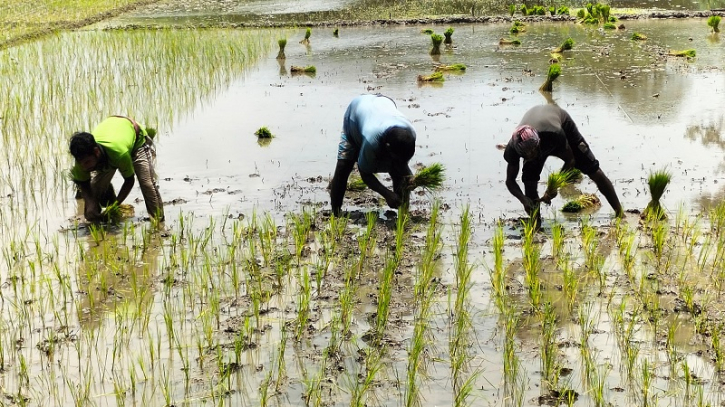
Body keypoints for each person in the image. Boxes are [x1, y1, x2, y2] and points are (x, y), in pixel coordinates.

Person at [504, 104, 623, 224]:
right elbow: (510, 181)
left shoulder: (554, 134)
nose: (533, 155)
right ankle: (536, 226)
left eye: (534, 150)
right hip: (540, 131)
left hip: (559, 125)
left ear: (538, 142)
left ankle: (620, 213)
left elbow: (570, 160)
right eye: (528, 154)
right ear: (519, 151)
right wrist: (523, 199)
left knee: (593, 170)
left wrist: (554, 188)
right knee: (529, 181)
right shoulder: (512, 149)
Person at [329, 94, 417, 216]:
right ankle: (336, 213)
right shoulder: (371, 140)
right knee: (344, 166)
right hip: (355, 113)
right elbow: (365, 172)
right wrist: (387, 194)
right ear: (387, 147)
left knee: (397, 169)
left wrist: (409, 177)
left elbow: (401, 164)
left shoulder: (410, 133)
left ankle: (403, 214)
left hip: (383, 102)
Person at [69, 116, 164, 222]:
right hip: (112, 133)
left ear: (96, 152)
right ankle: (103, 220)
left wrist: (115, 205)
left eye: (87, 162)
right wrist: (90, 204)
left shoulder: (119, 154)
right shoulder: (82, 158)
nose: (84, 167)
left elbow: (129, 180)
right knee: (93, 194)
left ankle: (158, 221)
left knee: (146, 183)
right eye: (81, 163)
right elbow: (84, 183)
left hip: (137, 140)